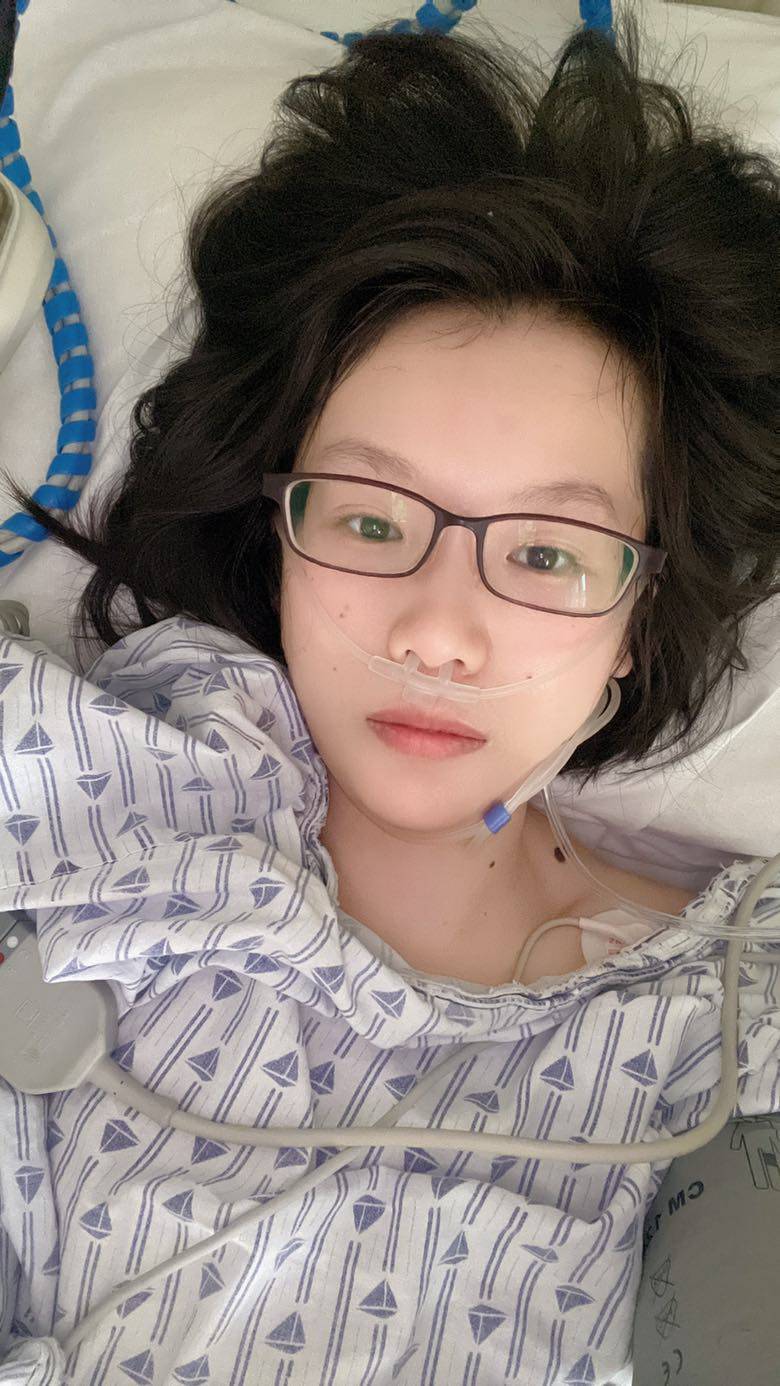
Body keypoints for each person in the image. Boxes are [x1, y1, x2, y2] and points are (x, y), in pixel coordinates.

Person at [0, 12, 777, 1383]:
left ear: (638, 621)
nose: (437, 632)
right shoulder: (103, 797)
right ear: (280, 539)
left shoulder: (726, 1023)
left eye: (546, 552)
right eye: (368, 520)